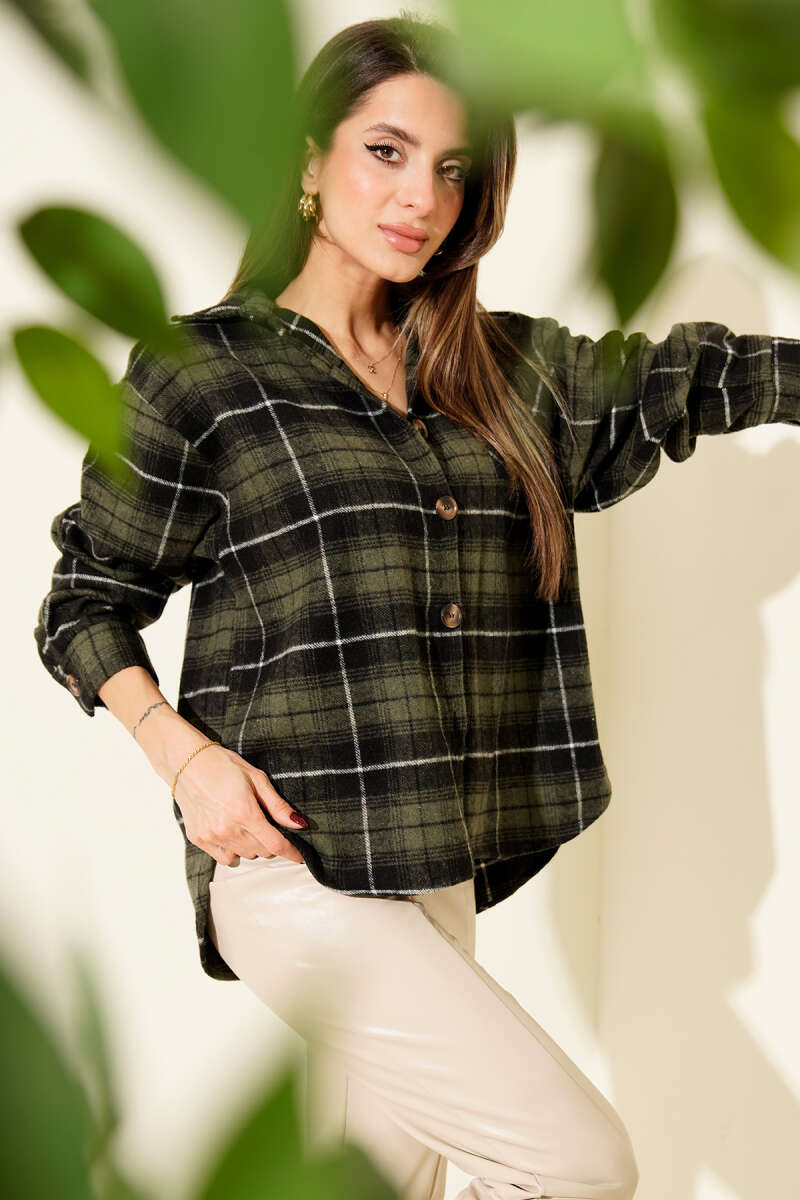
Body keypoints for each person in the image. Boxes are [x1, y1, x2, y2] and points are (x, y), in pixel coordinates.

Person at [33, 13, 800, 1200]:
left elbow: (694, 375)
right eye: (384, 152)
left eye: (450, 170)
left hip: (436, 857)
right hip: (294, 867)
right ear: (308, 160)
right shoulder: (203, 375)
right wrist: (185, 761)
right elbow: (84, 601)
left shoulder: (500, 372)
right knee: (574, 1163)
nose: (420, 198)